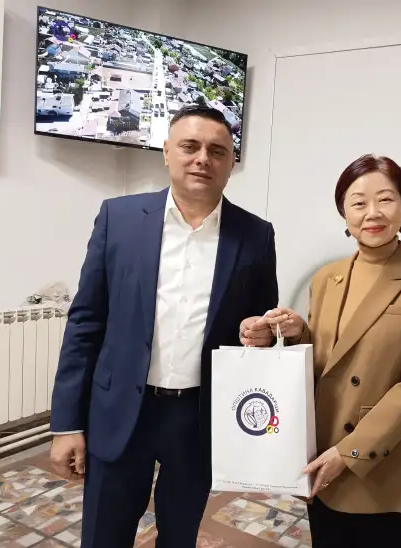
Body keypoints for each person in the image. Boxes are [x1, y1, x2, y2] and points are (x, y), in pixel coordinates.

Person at [49, 105, 278, 548]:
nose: (203, 159)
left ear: (232, 162)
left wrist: (264, 334)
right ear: (167, 153)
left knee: (179, 536)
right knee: (103, 535)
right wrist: (66, 423)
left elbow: (258, 328)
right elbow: (86, 322)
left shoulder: (256, 235)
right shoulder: (118, 218)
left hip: (197, 417)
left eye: (217, 150)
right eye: (190, 146)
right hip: (119, 410)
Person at [242, 154, 401, 547]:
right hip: (323, 450)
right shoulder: (327, 277)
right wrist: (296, 333)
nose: (373, 213)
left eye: (385, 199)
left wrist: (349, 453)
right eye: (358, 202)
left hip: (380, 459)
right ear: (344, 212)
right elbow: (326, 361)